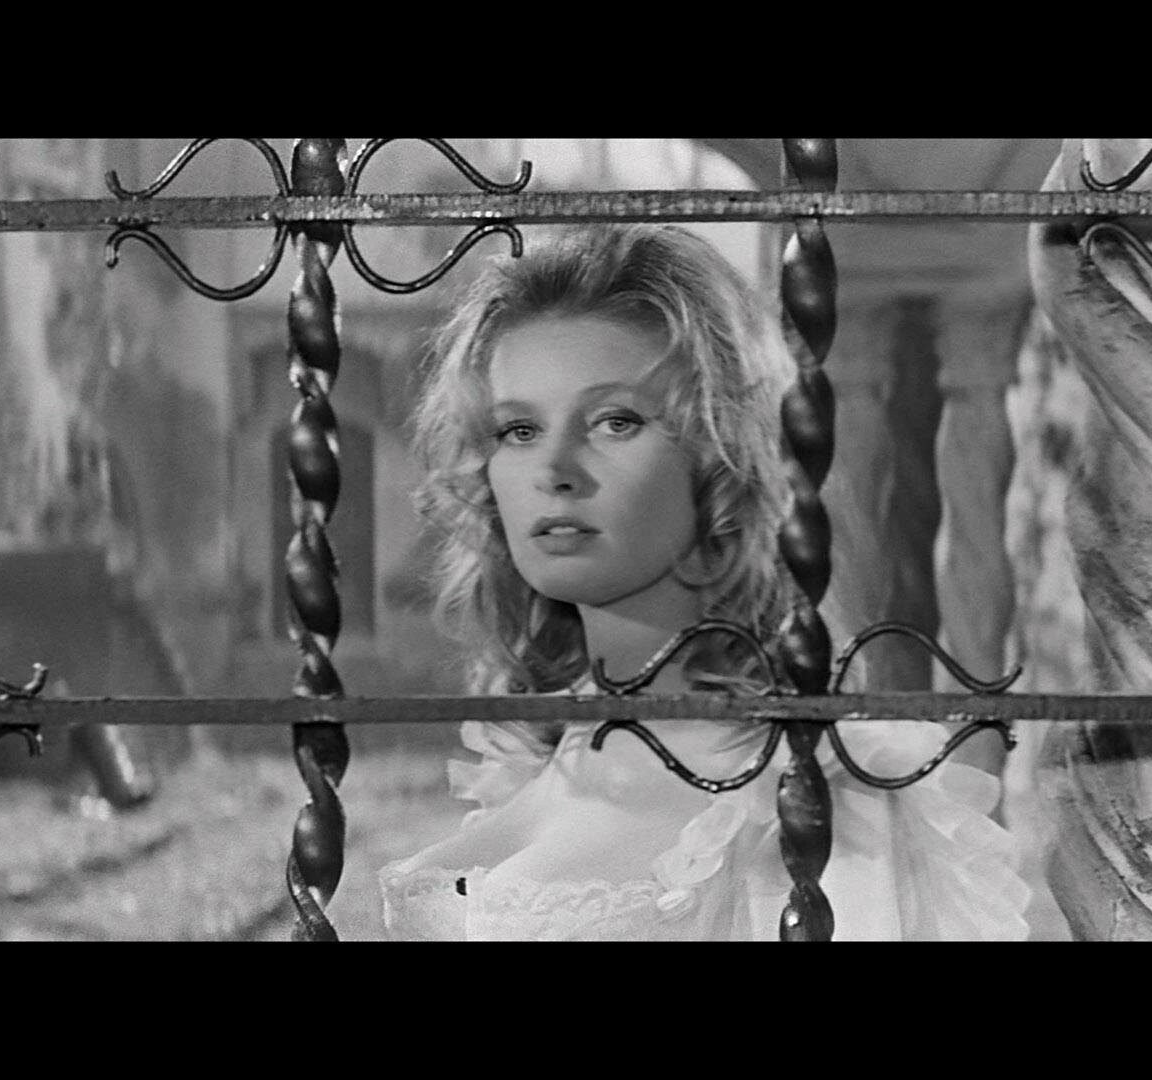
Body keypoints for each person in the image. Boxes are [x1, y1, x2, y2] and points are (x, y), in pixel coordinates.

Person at [379, 224, 1032, 940]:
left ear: (720, 455)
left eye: (615, 421)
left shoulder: (808, 795)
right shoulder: (538, 756)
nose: (555, 470)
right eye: (519, 430)